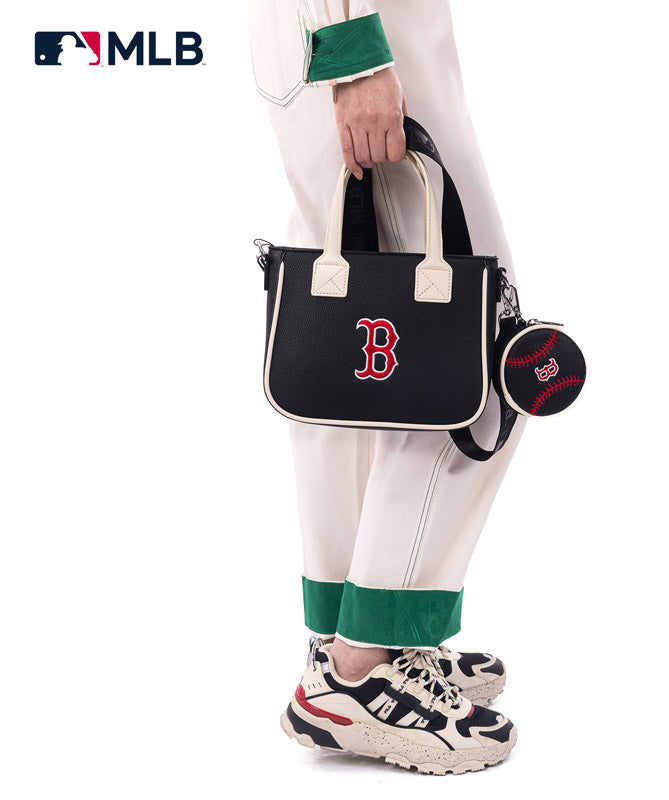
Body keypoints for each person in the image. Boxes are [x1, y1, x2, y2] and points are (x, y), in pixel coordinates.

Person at [249, 0, 527, 773]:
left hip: (329, 29)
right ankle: (366, 667)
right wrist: (356, 56)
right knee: (466, 355)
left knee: (352, 354)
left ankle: (347, 639)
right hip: (360, 32)